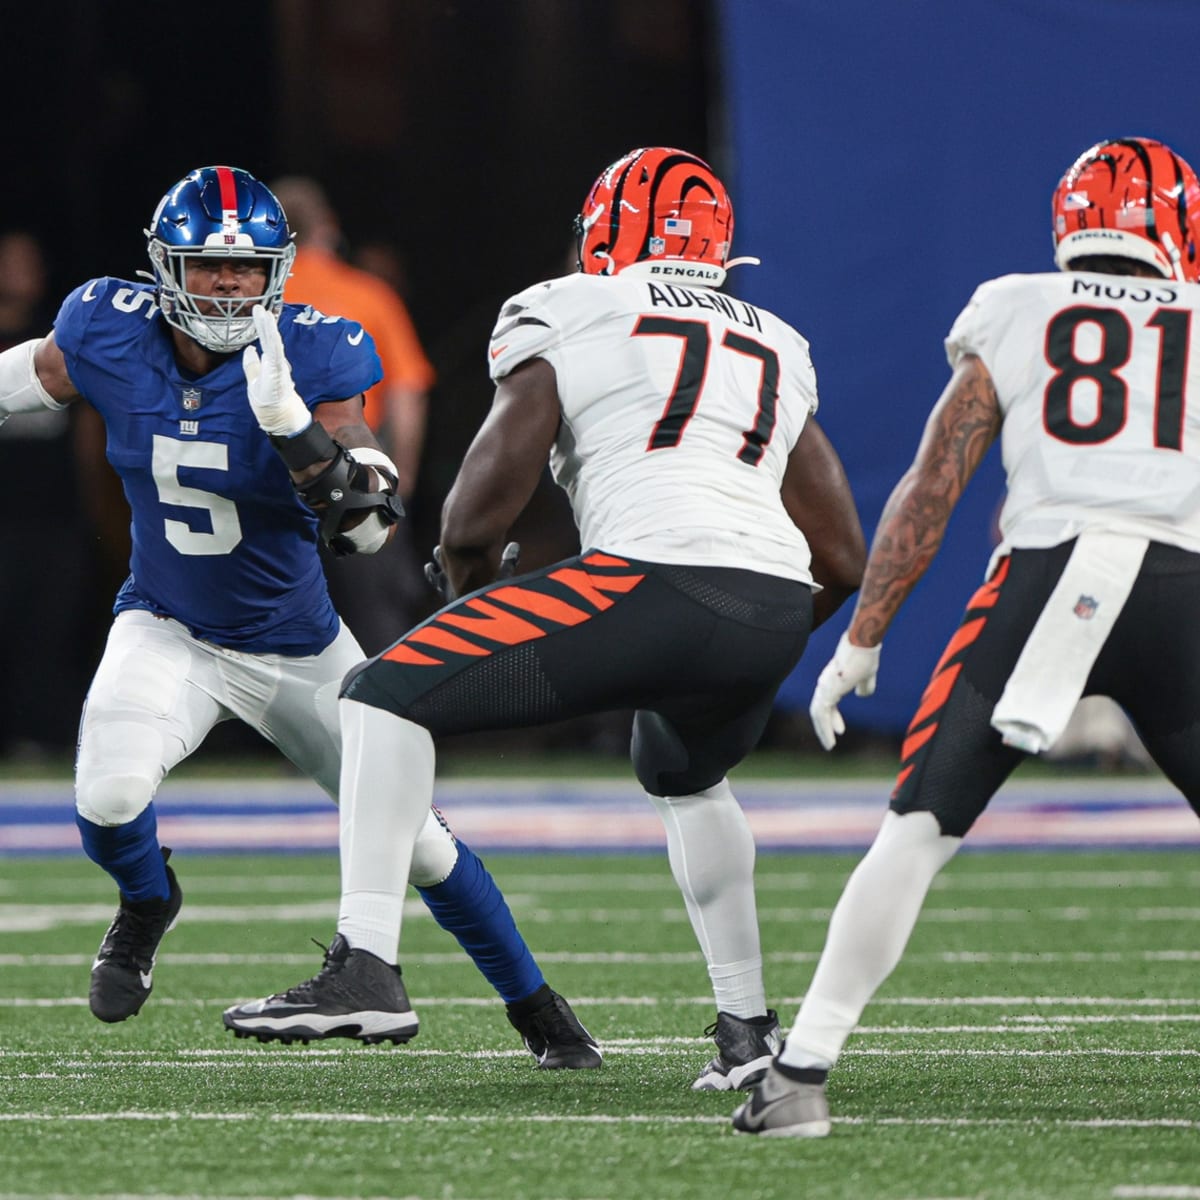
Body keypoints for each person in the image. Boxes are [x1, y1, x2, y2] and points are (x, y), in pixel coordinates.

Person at [224, 147, 866, 1090]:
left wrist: (468, 580)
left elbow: (483, 506)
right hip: (772, 598)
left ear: (603, 235)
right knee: (683, 771)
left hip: (650, 576)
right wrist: (747, 638)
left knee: (380, 695)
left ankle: (366, 962)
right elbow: (843, 554)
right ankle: (747, 1033)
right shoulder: (775, 337)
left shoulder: (569, 305)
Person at [0, 165, 599, 1069]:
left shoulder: (314, 354)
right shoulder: (104, 327)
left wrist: (296, 431)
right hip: (166, 622)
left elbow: (365, 523)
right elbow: (24, 377)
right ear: (167, 268)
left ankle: (541, 1013)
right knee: (108, 797)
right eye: (209, 266)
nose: (232, 285)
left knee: (423, 846)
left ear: (279, 269)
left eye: (249, 269)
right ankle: (148, 900)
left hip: (297, 643)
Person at [732, 135, 1200, 1137]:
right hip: (1181, 588)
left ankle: (800, 1077)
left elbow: (934, 486)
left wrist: (863, 635)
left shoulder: (1018, 304)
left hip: (1041, 578)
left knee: (917, 830)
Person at [269, 175, 434, 652]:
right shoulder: (370, 295)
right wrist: (398, 485)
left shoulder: (255, 300)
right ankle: (380, 723)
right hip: (351, 474)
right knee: (375, 624)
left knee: (272, 626)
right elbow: (407, 399)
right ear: (328, 227)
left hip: (268, 476)